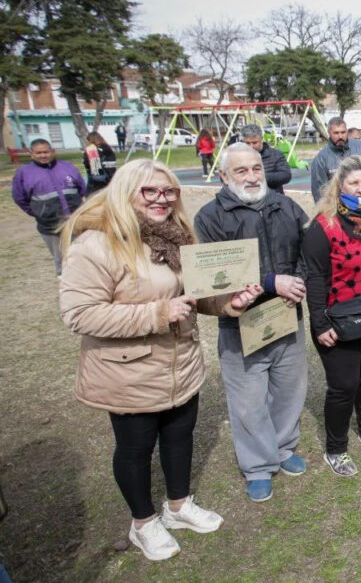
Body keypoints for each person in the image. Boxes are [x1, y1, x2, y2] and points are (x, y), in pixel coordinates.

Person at [59, 158, 262, 560]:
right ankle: (143, 523)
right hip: (128, 372)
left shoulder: (178, 235)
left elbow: (196, 295)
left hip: (180, 364)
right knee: (135, 450)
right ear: (125, 192)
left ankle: (178, 506)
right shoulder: (98, 243)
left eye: (168, 191)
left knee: (179, 437)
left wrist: (229, 303)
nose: (161, 199)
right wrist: (156, 313)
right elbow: (78, 314)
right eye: (149, 191)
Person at [193, 143, 310, 503]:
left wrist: (298, 283)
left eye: (256, 168)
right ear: (224, 176)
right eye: (241, 171)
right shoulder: (209, 217)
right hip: (240, 323)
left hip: (287, 314)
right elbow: (215, 275)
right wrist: (274, 282)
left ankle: (284, 446)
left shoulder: (285, 205)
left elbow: (309, 250)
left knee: (289, 388)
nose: (251, 176)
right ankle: (258, 465)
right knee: (248, 399)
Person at [302, 156, 361, 477]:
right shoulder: (324, 225)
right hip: (340, 320)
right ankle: (336, 448)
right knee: (344, 385)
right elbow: (314, 278)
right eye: (354, 183)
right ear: (340, 187)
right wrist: (320, 322)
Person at [11, 139, 87, 276]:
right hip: (49, 225)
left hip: (76, 222)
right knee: (61, 259)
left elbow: (82, 189)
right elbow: (19, 198)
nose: (43, 155)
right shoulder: (24, 173)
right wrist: (39, 212)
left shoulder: (67, 167)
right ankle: (65, 284)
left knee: (83, 255)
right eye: (39, 153)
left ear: (53, 151)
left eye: (46, 151)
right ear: (31, 154)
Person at [309, 118, 361, 203]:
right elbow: (319, 193)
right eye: (336, 133)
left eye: (343, 132)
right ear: (329, 133)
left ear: (347, 132)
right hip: (339, 210)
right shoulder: (321, 159)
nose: (340, 136)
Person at [239, 124, 291, 194]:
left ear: (261, 139)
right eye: (247, 143)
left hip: (272, 197)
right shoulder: (236, 157)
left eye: (254, 142)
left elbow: (286, 175)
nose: (251, 146)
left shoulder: (276, 154)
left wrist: (260, 177)